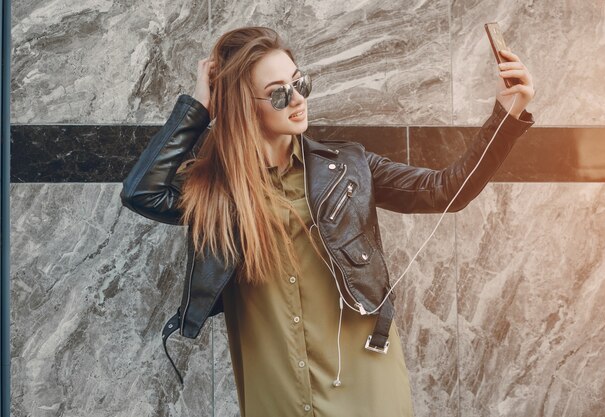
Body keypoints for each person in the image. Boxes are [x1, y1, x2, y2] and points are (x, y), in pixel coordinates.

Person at [120, 26, 535, 417]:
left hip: (364, 379)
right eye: (279, 95)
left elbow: (445, 190)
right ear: (245, 107)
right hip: (278, 390)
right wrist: (200, 106)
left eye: (300, 84)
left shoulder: (349, 167)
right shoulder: (217, 193)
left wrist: (506, 114)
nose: (298, 99)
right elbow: (141, 192)